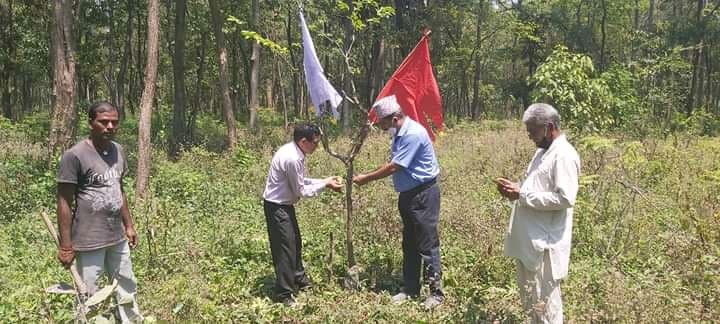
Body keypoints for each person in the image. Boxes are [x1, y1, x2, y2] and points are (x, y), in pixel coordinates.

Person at [353, 95, 445, 310]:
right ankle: (410, 289)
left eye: (384, 124)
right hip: (408, 195)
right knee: (410, 243)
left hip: (424, 194)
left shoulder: (413, 133)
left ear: (394, 119)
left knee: (427, 245)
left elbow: (396, 166)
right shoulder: (399, 134)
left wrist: (366, 178)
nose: (383, 129)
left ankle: (436, 293)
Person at [56, 101, 142, 322]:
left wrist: (129, 225)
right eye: (103, 122)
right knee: (89, 294)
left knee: (126, 285)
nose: (110, 126)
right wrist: (66, 246)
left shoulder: (118, 150)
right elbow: (64, 202)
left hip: (117, 236)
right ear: (91, 123)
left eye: (114, 122)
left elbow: (119, 189)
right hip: (88, 240)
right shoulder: (74, 156)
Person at [495, 103, 580, 323]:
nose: (530, 136)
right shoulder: (542, 152)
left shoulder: (564, 155)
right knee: (532, 302)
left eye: (533, 131)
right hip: (531, 241)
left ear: (549, 127)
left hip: (545, 246)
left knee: (546, 307)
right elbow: (534, 188)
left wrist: (521, 194)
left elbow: (565, 198)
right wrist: (515, 188)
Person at [262, 123, 343, 306]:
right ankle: (284, 293)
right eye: (315, 143)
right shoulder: (292, 158)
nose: (317, 146)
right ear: (303, 141)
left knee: (295, 242)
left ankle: (298, 278)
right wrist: (326, 185)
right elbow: (301, 191)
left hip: (285, 205)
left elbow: (301, 181)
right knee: (285, 249)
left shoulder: (295, 151)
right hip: (277, 207)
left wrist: (325, 180)